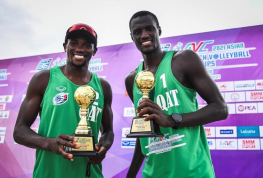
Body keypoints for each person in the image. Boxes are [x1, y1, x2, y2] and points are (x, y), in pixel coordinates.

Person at [125, 11, 228, 178]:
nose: (144, 35)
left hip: (193, 172)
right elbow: (143, 129)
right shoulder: (132, 79)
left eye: (149, 28)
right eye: (137, 32)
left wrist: (171, 120)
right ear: (132, 37)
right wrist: (130, 175)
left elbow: (220, 109)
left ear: (159, 30)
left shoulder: (183, 60)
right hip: (153, 174)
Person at [13, 23, 114, 178]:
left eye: (87, 45)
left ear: (94, 51)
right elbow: (19, 131)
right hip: (50, 172)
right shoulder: (44, 79)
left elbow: (108, 131)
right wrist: (49, 143)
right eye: (74, 43)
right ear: (65, 46)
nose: (79, 49)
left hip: (90, 173)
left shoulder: (103, 87)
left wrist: (104, 146)